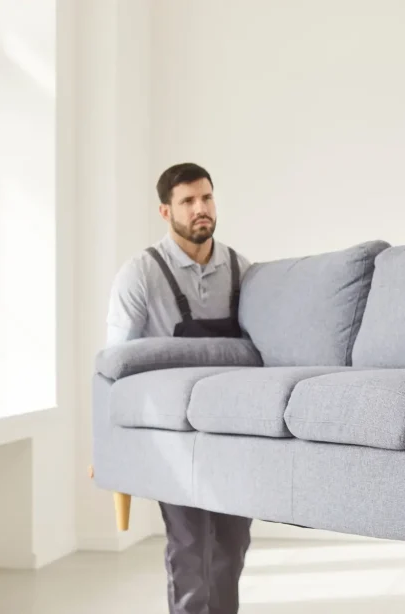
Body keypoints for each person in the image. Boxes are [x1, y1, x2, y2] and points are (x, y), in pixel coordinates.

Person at [105, 162, 254, 614]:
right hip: (175, 438)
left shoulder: (242, 270)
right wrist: (106, 447)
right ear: (165, 212)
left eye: (206, 198)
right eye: (187, 201)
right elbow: (114, 365)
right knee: (190, 549)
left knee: (231, 548)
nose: (200, 209)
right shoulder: (140, 275)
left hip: (234, 434)